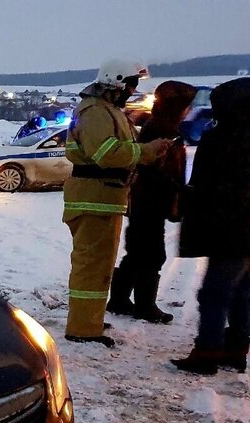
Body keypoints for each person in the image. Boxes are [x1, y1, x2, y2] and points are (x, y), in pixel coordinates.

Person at [61, 58, 173, 347]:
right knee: (91, 266)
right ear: (116, 82)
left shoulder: (108, 110)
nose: (133, 90)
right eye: (131, 84)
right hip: (94, 199)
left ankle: (89, 320)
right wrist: (146, 152)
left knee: (99, 266)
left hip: (103, 198)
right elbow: (105, 153)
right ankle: (83, 329)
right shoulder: (96, 111)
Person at [171, 77, 250, 375]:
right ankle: (236, 348)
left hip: (229, 230)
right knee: (242, 291)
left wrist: (186, 205)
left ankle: (207, 352)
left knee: (214, 293)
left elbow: (205, 186)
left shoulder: (221, 139)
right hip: (243, 231)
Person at [108, 81, 197, 323]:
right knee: (151, 254)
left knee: (136, 253)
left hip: (146, 203)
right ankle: (144, 306)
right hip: (149, 203)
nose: (189, 110)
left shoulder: (161, 127)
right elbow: (156, 172)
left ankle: (119, 300)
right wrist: (178, 193)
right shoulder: (161, 130)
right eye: (185, 106)